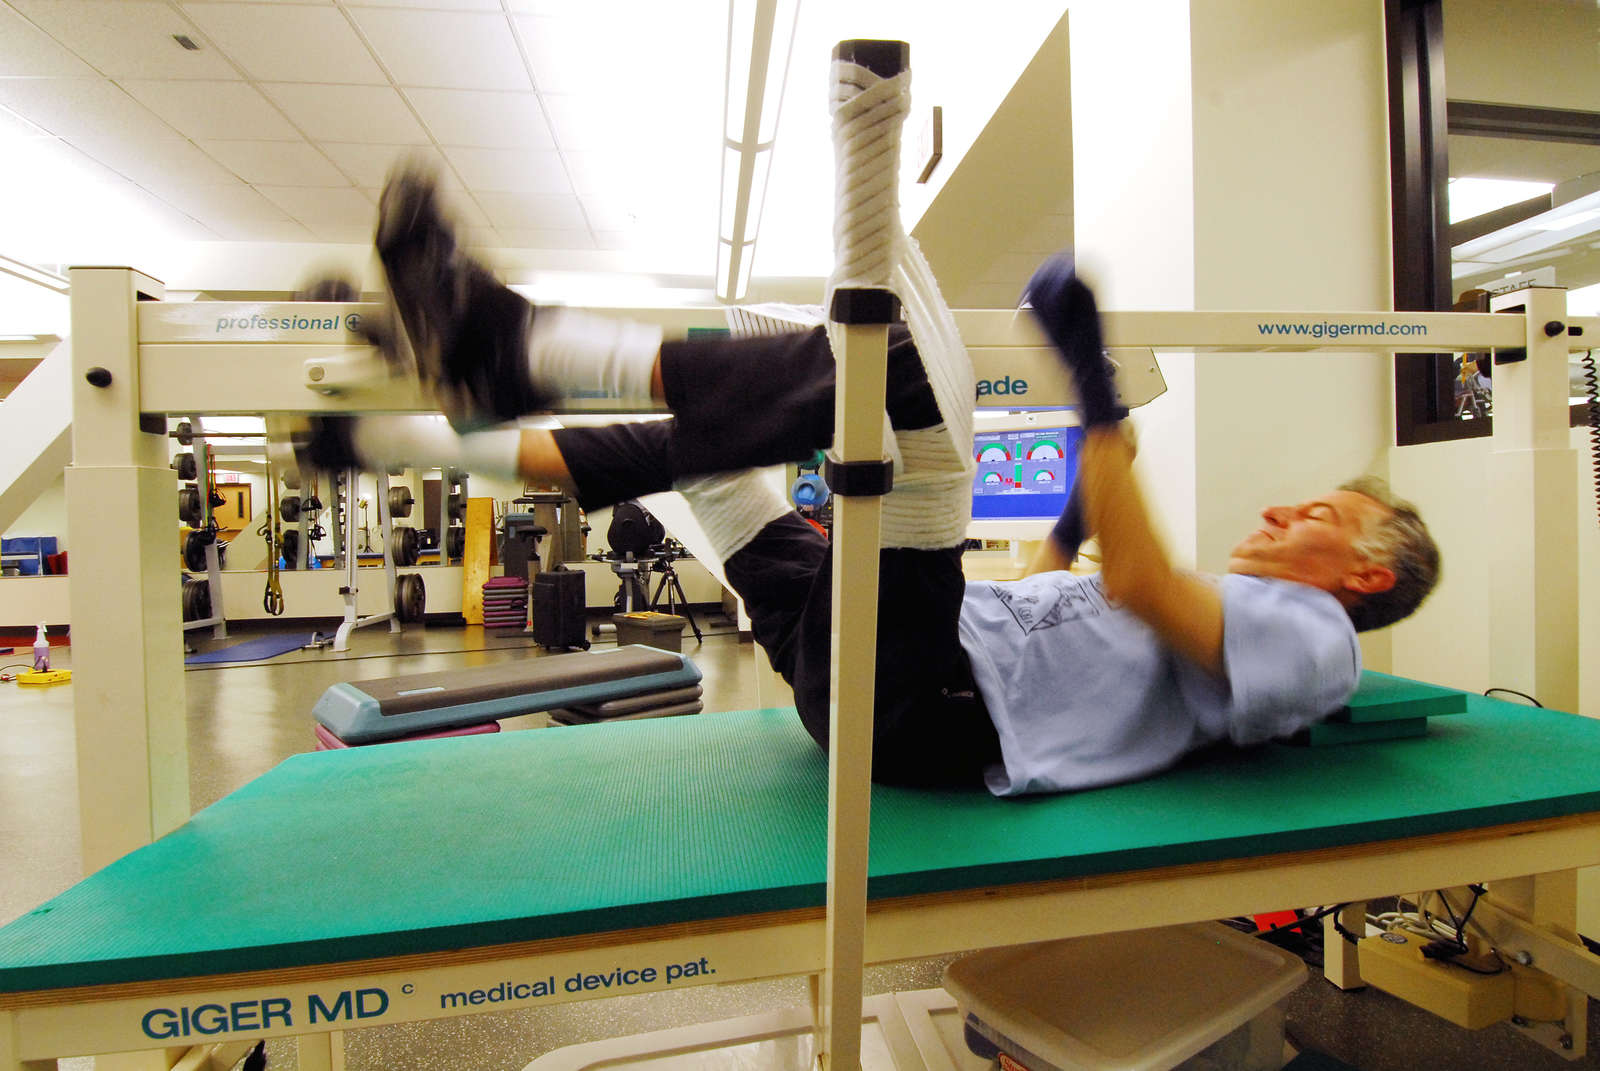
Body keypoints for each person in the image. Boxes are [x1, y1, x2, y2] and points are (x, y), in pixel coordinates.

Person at [298, 164, 1440, 796]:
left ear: (1362, 574)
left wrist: (1089, 391)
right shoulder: (1247, 612)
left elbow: (1138, 585)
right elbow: (1065, 586)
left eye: (1320, 516)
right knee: (694, 452)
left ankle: (513, 349)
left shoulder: (1317, 648)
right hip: (867, 659)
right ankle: (403, 436)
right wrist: (1082, 502)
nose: (1280, 511)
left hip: (932, 707)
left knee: (894, 383)